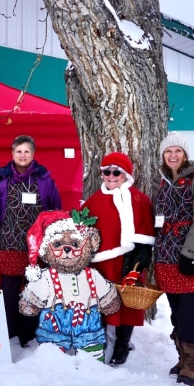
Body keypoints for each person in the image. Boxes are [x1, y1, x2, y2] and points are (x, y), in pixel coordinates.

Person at [150, 133, 194, 386]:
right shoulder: (160, 181)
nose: (173, 155)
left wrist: (188, 254)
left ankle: (191, 365)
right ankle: (182, 358)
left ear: (185, 154)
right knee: (177, 313)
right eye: (168, 151)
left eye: (177, 151)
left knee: (191, 313)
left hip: (192, 257)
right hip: (166, 257)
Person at [80, 151, 155, 365]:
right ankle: (99, 340)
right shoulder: (95, 199)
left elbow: (147, 235)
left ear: (126, 175)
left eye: (116, 172)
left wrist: (139, 263)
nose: (111, 176)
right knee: (100, 300)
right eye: (106, 172)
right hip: (101, 262)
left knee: (128, 302)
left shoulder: (139, 199)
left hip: (128, 261)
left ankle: (123, 343)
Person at [0, 135, 62, 346]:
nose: (23, 155)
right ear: (12, 154)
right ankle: (10, 333)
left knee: (34, 291)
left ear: (33, 154)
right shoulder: (2, 179)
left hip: (36, 247)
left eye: (27, 151)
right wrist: (9, 230)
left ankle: (28, 334)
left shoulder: (44, 179)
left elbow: (54, 209)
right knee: (9, 292)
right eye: (19, 151)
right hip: (9, 244)